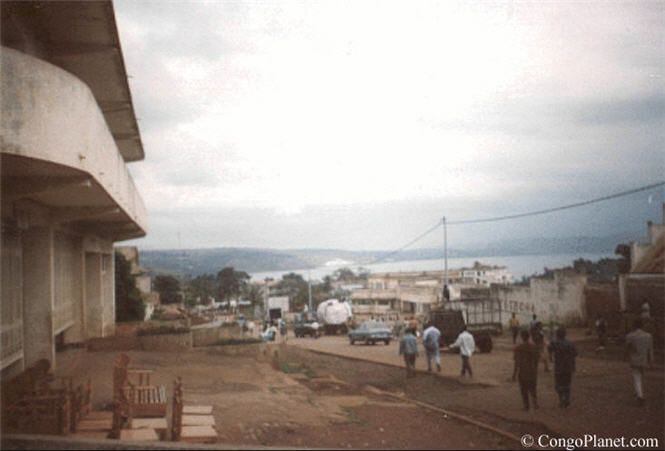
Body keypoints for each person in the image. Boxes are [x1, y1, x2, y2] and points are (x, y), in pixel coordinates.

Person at [625, 318, 654, 406]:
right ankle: (640, 392)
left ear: (634, 326)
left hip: (634, 359)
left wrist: (626, 356)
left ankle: (640, 395)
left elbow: (627, 348)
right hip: (644, 359)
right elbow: (650, 350)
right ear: (642, 326)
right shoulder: (648, 336)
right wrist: (651, 361)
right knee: (641, 376)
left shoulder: (630, 336)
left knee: (636, 377)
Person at [547, 327, 577, 408]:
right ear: (565, 334)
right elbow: (575, 354)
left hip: (559, 367)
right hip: (568, 366)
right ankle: (567, 400)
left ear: (557, 334)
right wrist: (573, 365)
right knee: (567, 384)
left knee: (558, 384)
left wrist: (551, 357)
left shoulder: (554, 342)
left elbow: (549, 349)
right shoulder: (570, 343)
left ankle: (561, 400)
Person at [513, 329, 540, 411]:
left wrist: (514, 373)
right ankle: (535, 404)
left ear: (521, 337)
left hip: (523, 371)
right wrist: (535, 369)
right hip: (532, 370)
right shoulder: (534, 347)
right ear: (529, 337)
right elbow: (537, 359)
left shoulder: (518, 348)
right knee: (533, 388)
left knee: (524, 389)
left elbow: (517, 362)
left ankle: (526, 406)